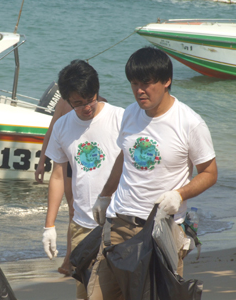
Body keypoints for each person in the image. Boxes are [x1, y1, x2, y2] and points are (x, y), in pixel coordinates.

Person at [89, 46, 218, 300]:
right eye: (134, 83)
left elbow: (210, 172)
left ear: (167, 80)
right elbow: (123, 156)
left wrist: (178, 195)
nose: (139, 91)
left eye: (147, 83)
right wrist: (105, 195)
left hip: (162, 230)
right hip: (120, 222)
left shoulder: (189, 123)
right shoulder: (130, 113)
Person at [42, 59, 124, 300]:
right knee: (86, 293)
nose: (86, 107)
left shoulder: (121, 118)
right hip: (82, 226)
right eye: (78, 103)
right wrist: (49, 226)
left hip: (120, 224)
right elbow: (58, 176)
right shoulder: (62, 126)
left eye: (90, 99)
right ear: (67, 100)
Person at [35, 97, 74, 276]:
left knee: (78, 211)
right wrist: (42, 161)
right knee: (73, 211)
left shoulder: (99, 103)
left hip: (86, 159)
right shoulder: (63, 103)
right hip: (67, 163)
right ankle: (69, 258)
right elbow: (51, 131)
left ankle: (72, 257)